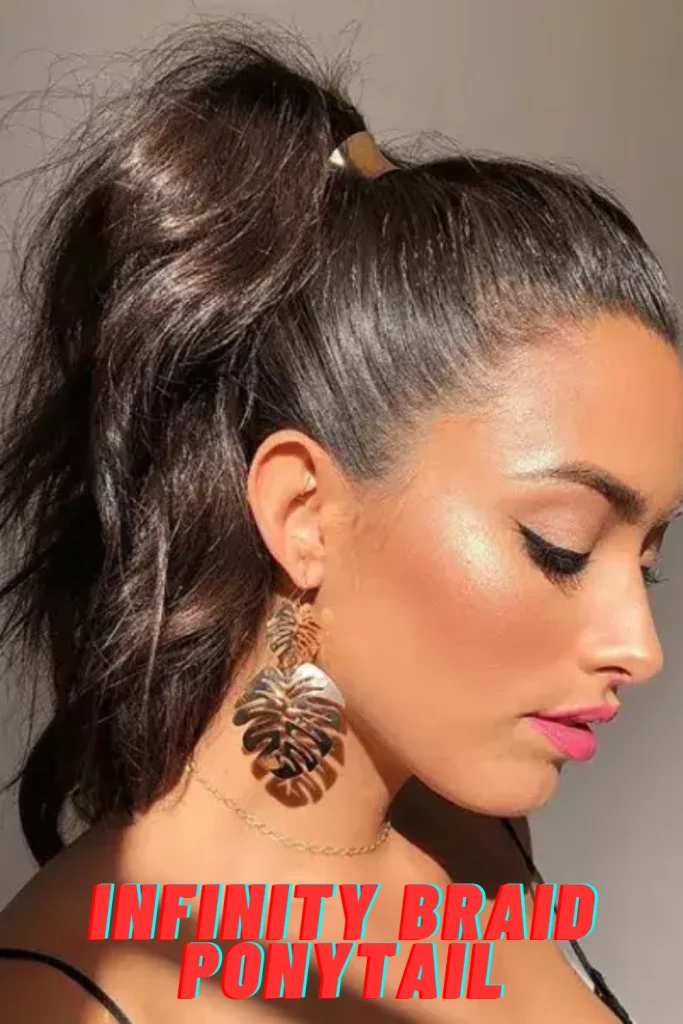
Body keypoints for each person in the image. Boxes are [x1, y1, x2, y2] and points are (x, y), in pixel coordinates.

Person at [0, 20, 680, 1023]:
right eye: (561, 546)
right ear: (303, 512)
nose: (640, 647)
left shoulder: (477, 844)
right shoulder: (73, 999)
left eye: (648, 561)